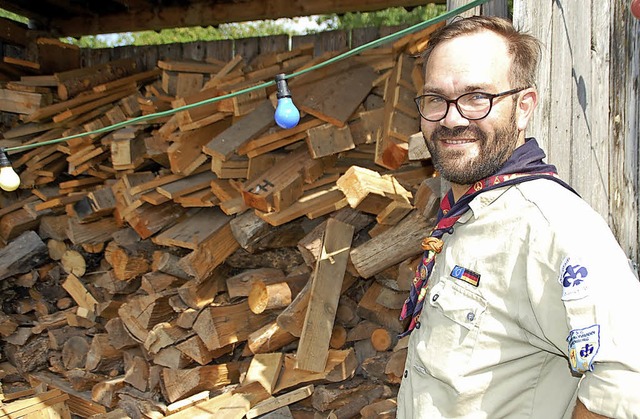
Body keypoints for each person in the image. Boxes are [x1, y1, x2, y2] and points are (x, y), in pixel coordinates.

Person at [397, 15, 640, 418]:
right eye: (436, 99)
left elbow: (628, 381)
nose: (452, 118)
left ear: (523, 107)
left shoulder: (550, 224)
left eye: (477, 97)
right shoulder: (469, 213)